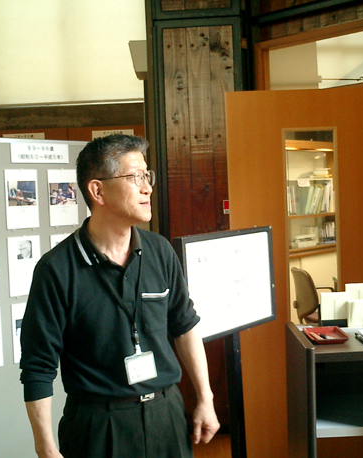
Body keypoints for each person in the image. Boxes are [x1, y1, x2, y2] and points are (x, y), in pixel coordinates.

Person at [20, 134, 219, 458]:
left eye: (147, 176)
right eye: (135, 177)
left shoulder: (160, 251)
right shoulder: (56, 269)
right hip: (99, 424)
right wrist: (45, 446)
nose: (147, 188)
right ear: (97, 191)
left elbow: (184, 326)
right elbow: (38, 366)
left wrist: (205, 398)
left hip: (166, 413)